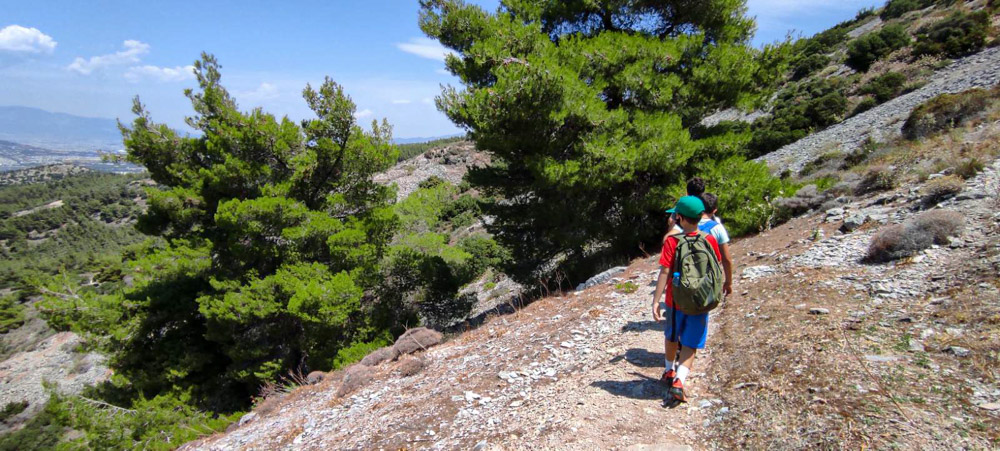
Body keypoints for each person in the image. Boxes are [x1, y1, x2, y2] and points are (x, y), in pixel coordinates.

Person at [652, 196, 723, 403]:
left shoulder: (672, 241)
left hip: (675, 301)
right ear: (700, 216)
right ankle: (679, 382)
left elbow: (665, 272)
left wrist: (656, 300)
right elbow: (716, 266)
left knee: (672, 337)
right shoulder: (709, 239)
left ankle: (669, 371)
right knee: (691, 343)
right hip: (700, 301)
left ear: (680, 218)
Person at [698, 193, 733, 296]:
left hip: (687, 278)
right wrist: (728, 282)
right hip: (709, 278)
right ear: (715, 210)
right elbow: (726, 259)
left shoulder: (687, 224)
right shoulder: (717, 228)